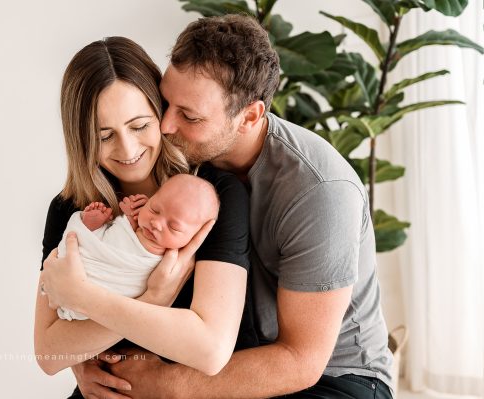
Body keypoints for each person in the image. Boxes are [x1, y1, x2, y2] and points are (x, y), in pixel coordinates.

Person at [70, 15, 395, 399]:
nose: (167, 126)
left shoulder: (320, 191)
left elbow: (301, 360)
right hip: (220, 355)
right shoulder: (183, 156)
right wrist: (83, 359)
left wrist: (162, 384)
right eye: (165, 102)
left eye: (189, 115)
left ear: (250, 116)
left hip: (333, 377)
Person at [34, 36, 258, 397]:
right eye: (104, 136)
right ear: (82, 140)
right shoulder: (70, 209)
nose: (129, 150)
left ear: (161, 113)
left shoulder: (210, 195)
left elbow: (210, 349)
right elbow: (49, 352)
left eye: (139, 126)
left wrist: (85, 300)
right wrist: (152, 300)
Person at [52, 174, 220, 321]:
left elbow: (140, 250)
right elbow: (125, 237)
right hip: (93, 256)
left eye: (174, 227)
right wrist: (131, 219)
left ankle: (90, 230)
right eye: (154, 209)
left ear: (194, 238)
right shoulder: (62, 205)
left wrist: (133, 219)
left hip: (103, 290)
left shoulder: (167, 256)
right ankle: (90, 229)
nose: (156, 223)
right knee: (85, 237)